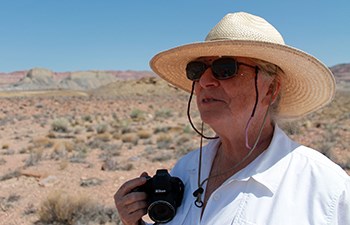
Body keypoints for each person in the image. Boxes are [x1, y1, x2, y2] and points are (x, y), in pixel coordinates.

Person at [114, 12, 350, 225]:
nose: (204, 81)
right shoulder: (185, 170)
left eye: (225, 68)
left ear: (270, 89)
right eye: (197, 70)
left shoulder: (326, 190)